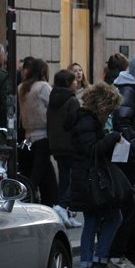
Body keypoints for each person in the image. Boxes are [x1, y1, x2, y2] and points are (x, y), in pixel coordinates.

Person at [69, 83, 124, 268]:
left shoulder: (84, 119)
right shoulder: (87, 121)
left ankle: (87, 265)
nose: (109, 116)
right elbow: (92, 149)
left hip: (84, 177)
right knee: (113, 217)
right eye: (109, 111)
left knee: (91, 221)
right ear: (102, 106)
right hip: (90, 179)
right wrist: (112, 138)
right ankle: (99, 262)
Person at [108, 54, 135, 268]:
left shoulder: (131, 88)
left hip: (131, 156)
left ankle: (120, 253)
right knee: (129, 207)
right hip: (131, 158)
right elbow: (123, 123)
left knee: (131, 208)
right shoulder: (130, 90)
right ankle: (117, 254)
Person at [18, 58, 58, 207]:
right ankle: (51, 203)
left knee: (45, 172)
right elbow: (52, 107)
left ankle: (52, 203)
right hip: (43, 135)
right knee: (40, 173)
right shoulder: (43, 87)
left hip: (28, 135)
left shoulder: (22, 87)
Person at [47, 69, 82, 228]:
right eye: (74, 81)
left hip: (56, 144)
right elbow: (73, 123)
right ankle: (63, 206)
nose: (76, 83)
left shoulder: (53, 98)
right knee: (76, 179)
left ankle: (64, 213)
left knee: (64, 179)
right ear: (68, 83)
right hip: (70, 144)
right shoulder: (72, 101)